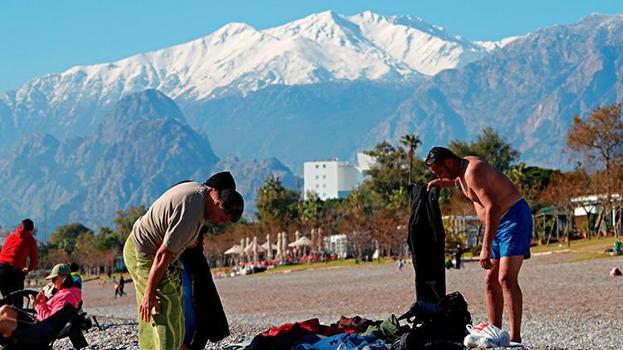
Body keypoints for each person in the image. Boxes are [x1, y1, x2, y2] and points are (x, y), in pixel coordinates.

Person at [123, 175, 244, 350]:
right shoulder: (192, 210)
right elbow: (162, 255)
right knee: (164, 306)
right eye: (222, 219)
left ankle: (176, 345)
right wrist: (149, 292)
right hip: (143, 252)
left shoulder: (200, 197)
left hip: (159, 255)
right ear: (219, 203)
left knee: (174, 304)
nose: (218, 223)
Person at [426, 147, 531, 343]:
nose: (440, 175)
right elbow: (459, 181)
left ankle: (516, 339)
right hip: (498, 224)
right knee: (490, 280)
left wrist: (485, 246)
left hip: (513, 218)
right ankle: (495, 334)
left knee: (506, 278)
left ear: (449, 162)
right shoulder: (461, 169)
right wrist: (442, 182)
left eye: (439, 171)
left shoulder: (473, 170)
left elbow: (493, 207)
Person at [0, 263, 81, 340]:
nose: (52, 282)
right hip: (39, 325)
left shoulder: (65, 296)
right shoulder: (65, 293)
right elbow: (52, 316)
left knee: (3, 322)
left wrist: (36, 305)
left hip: (39, 331)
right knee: (6, 308)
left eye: (54, 279)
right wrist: (42, 302)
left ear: (64, 278)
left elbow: (48, 321)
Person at [0, 219, 39, 306]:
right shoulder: (30, 239)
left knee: (6, 299)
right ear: (32, 229)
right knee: (17, 302)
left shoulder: (10, 236)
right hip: (13, 271)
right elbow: (35, 260)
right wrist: (28, 269)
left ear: (20, 227)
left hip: (1, 269)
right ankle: (16, 317)